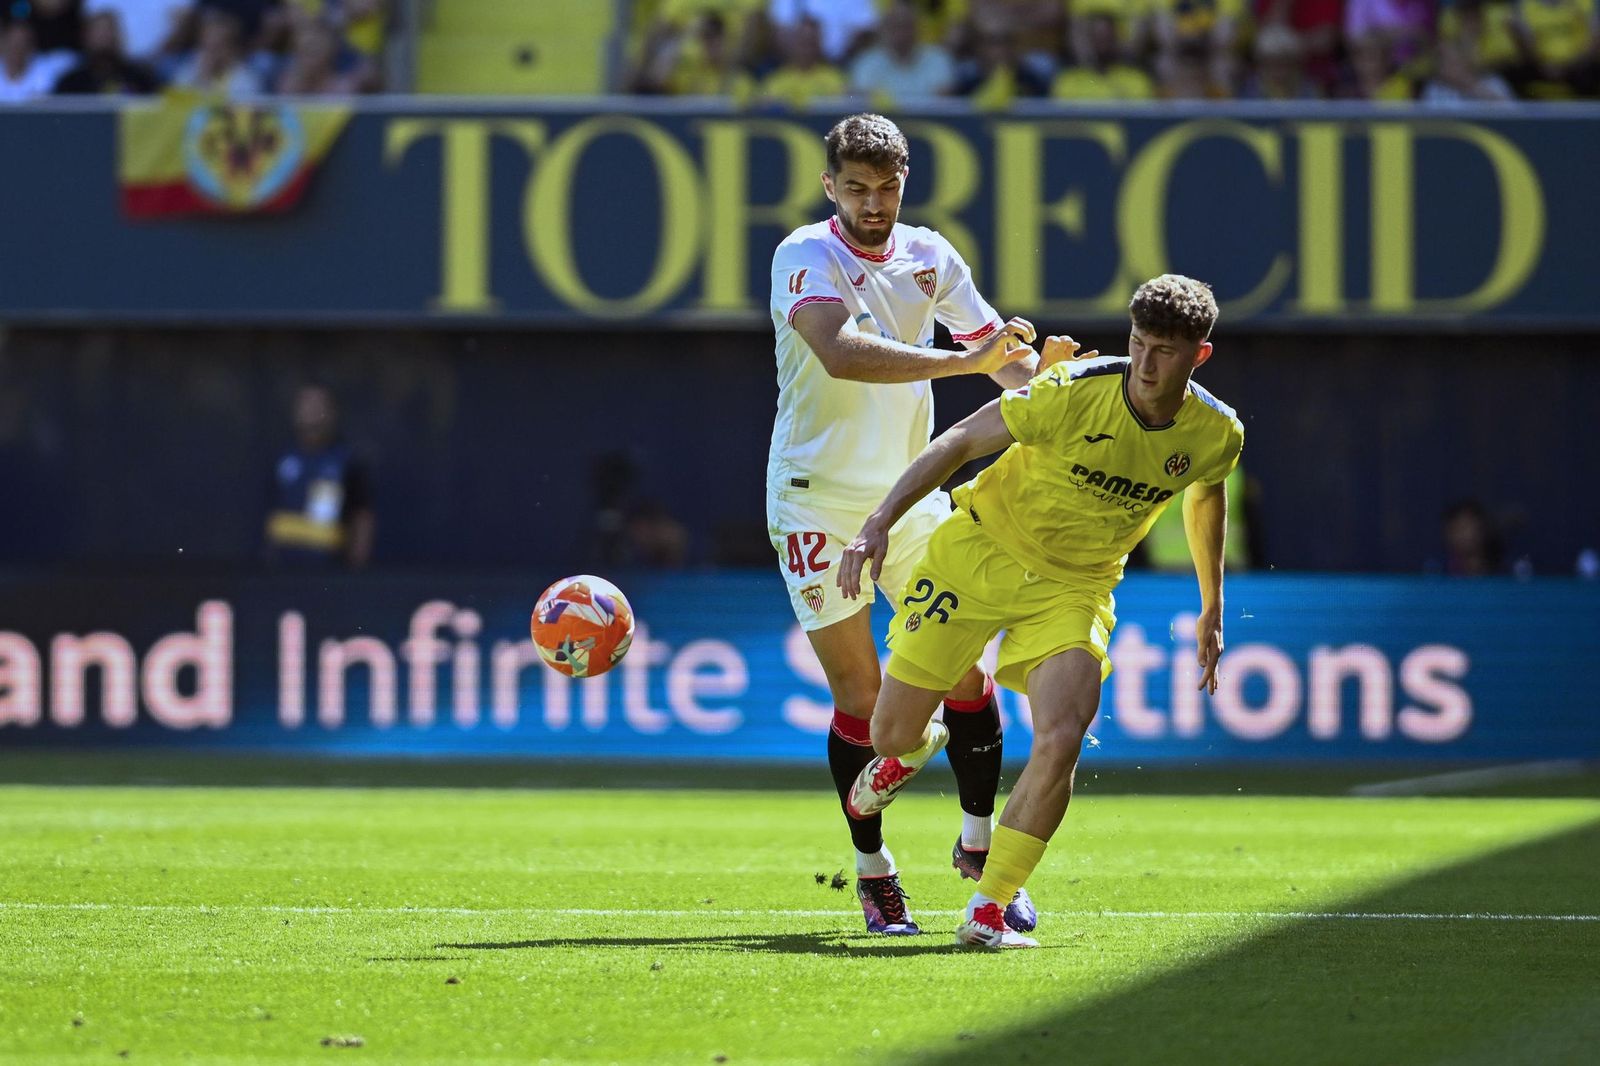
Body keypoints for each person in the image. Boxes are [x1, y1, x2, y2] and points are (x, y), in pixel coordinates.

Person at [836, 275, 1244, 948]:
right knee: (889, 735)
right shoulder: (1075, 389)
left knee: (1063, 734)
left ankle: (989, 907)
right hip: (979, 554)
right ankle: (920, 743)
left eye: (1164, 351)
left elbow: (1205, 495)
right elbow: (960, 441)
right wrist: (878, 522)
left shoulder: (1215, 432)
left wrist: (1213, 606)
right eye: (1139, 343)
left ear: (1197, 355)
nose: (1145, 364)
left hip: (1075, 587)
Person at [768, 113, 1041, 936]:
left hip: (912, 495)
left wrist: (1054, 375)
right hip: (812, 495)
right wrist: (971, 364)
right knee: (862, 692)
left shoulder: (932, 256)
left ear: (904, 185)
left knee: (961, 674)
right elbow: (842, 352)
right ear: (830, 188)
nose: (873, 203)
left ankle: (981, 849)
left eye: (886, 188)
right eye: (856, 188)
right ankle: (874, 870)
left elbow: (1008, 353)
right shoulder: (803, 255)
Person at [265, 384, 374, 571]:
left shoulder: (346, 460)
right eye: (306, 404)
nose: (312, 412)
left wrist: (357, 562)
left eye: (319, 405)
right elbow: (267, 510)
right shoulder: (280, 456)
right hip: (284, 566)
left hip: (329, 567)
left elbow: (362, 515)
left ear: (332, 412)